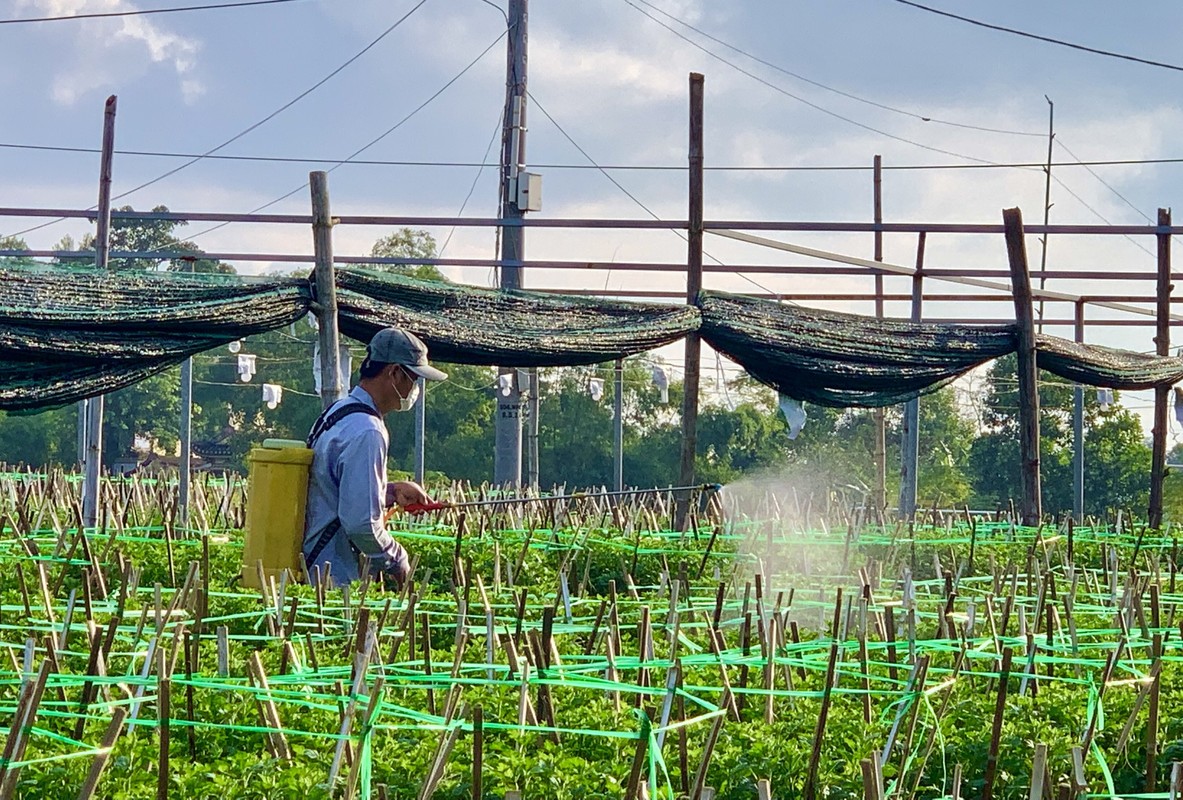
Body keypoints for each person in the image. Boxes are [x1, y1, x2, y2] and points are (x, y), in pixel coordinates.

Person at [302, 326, 447, 587]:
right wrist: (398, 559)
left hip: (308, 566)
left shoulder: (338, 413)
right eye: (412, 379)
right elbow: (361, 525)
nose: (414, 389)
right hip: (332, 578)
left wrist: (389, 492)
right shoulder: (368, 431)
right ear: (393, 373)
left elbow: (332, 488)